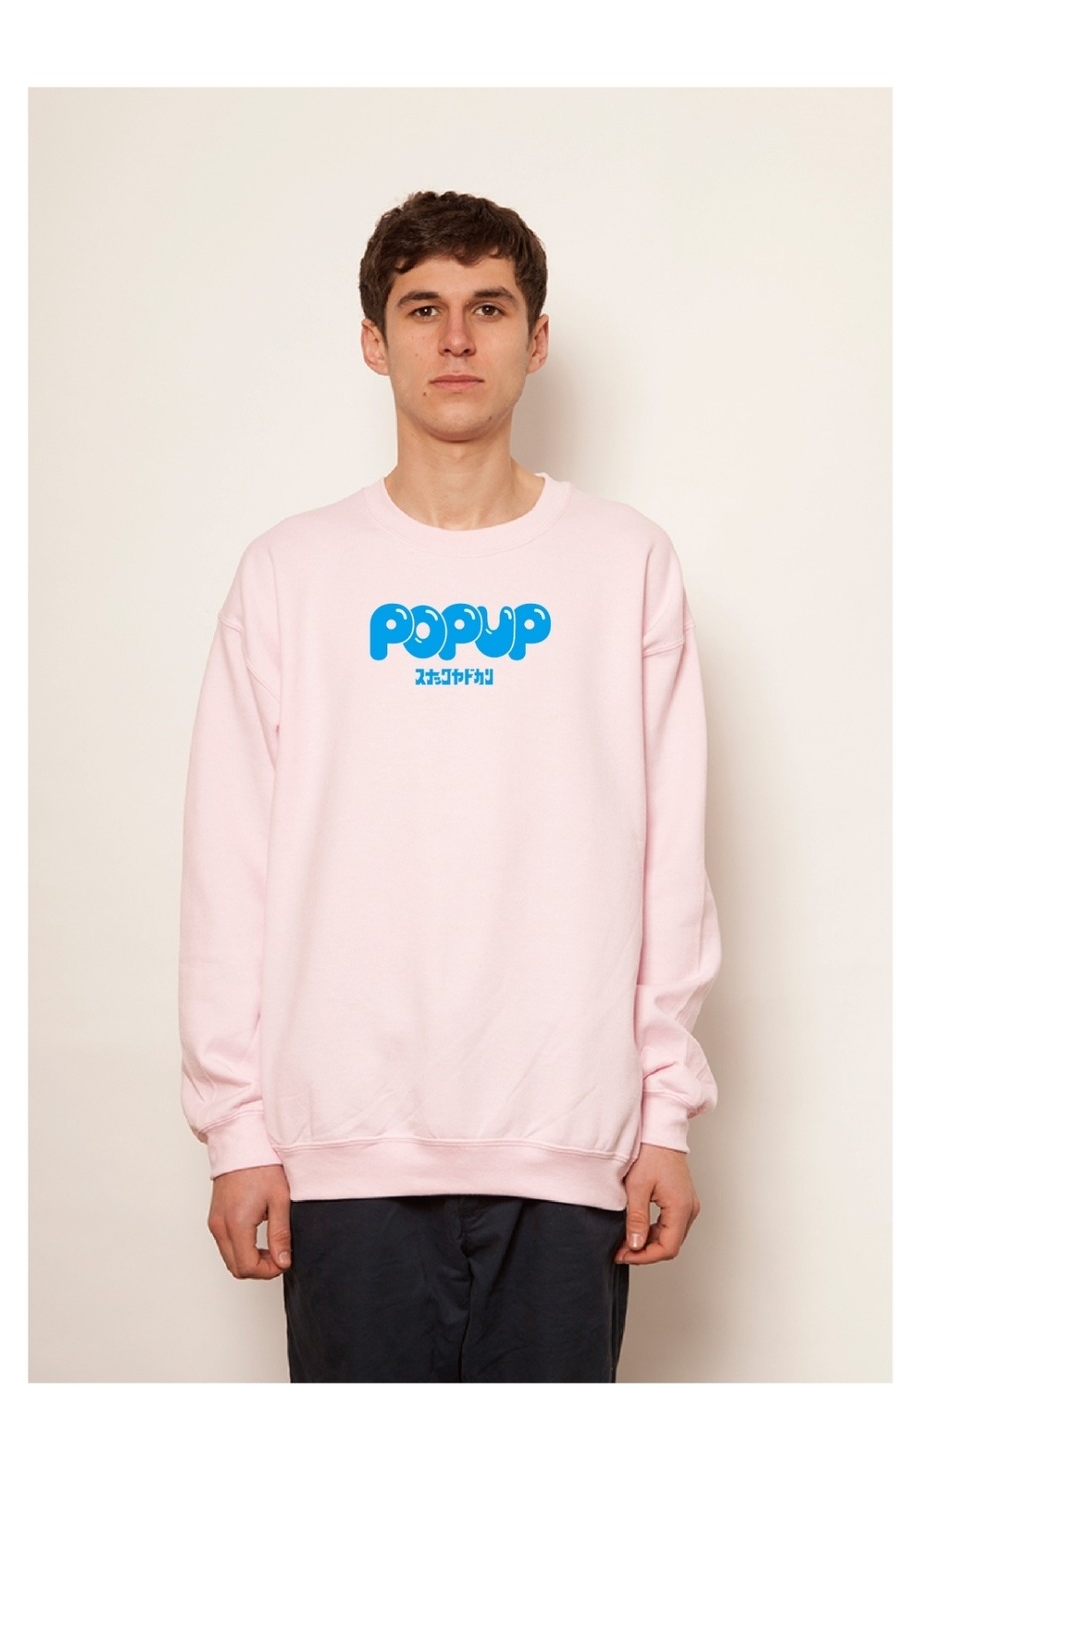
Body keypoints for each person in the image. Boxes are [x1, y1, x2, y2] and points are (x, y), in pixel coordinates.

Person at [178, 189, 722, 1382]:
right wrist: (236, 1129)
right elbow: (229, 865)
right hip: (343, 1145)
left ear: (537, 339)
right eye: (422, 309)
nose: (457, 338)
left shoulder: (623, 562)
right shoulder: (290, 573)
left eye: (489, 307)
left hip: (568, 1136)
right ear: (373, 342)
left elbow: (668, 861)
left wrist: (662, 1112)